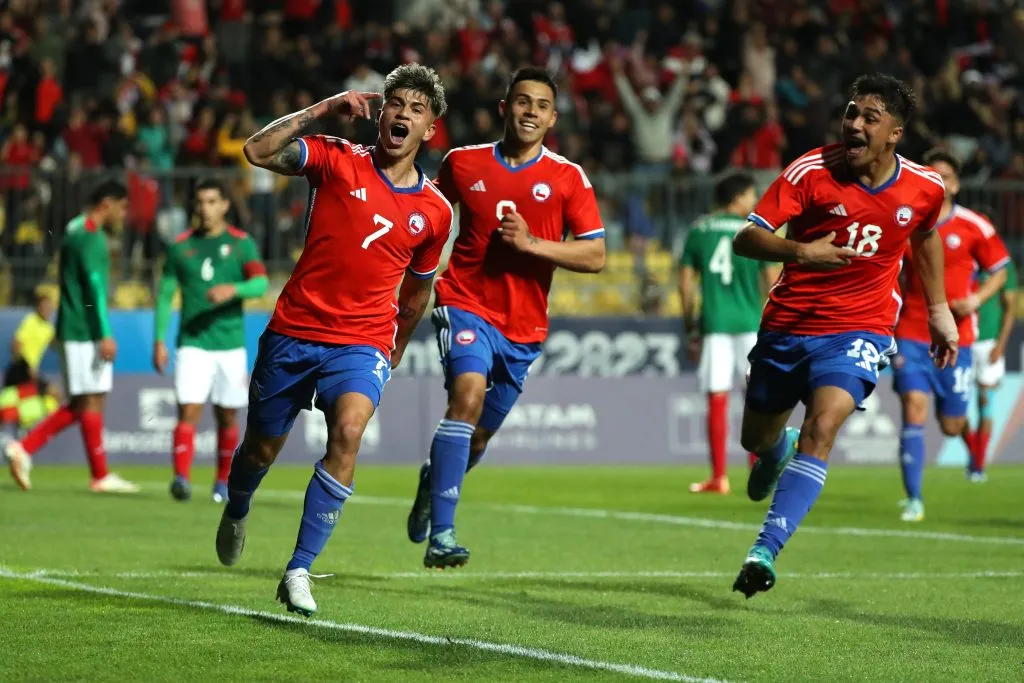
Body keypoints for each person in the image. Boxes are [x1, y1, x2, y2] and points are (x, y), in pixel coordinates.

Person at [215, 64, 453, 617]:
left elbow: (417, 294)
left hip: (362, 341)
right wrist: (323, 108)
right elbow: (256, 151)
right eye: (396, 104)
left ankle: (299, 568)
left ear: (429, 129)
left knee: (348, 432)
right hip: (294, 331)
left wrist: (392, 351)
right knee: (260, 450)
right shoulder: (335, 157)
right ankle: (238, 504)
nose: (404, 114)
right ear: (381, 113)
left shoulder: (435, 212)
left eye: (417, 109)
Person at [729, 73, 956, 598]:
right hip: (789, 326)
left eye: (869, 118)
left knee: (824, 425)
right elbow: (747, 237)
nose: (854, 125)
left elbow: (924, 237)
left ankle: (764, 550)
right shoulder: (810, 171)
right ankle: (774, 450)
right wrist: (802, 251)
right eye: (851, 113)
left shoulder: (924, 187)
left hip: (860, 327)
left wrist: (939, 310)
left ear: (894, 133)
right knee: (755, 439)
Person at [404, 67, 606, 569]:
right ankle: (443, 535)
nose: (530, 111)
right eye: (522, 101)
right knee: (467, 396)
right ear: (504, 108)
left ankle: (434, 479)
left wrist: (533, 244)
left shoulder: (567, 177)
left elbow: (596, 254)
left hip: (523, 328)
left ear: (553, 118)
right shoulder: (462, 162)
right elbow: (426, 216)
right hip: (464, 303)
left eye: (541, 105)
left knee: (479, 436)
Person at [893, 150, 1009, 519]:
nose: (938, 181)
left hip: (958, 337)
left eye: (945, 175)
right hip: (911, 330)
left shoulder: (975, 226)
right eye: (932, 174)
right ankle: (914, 498)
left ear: (956, 185)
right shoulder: (905, 222)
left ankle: (970, 446)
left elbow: (1000, 271)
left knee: (951, 424)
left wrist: (976, 299)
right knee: (913, 406)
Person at [4, 180, 139, 494]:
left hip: (73, 327)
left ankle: (30, 450)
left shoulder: (74, 228)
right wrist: (105, 333)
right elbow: (95, 287)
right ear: (107, 204)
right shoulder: (92, 237)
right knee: (90, 400)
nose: (124, 215)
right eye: (122, 207)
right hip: (84, 330)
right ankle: (93, 473)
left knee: (84, 401)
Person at [153, 178, 269, 503]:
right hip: (192, 342)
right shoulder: (180, 247)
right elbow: (165, 295)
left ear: (225, 206)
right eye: (200, 202)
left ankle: (221, 482)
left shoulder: (241, 244)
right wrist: (159, 339)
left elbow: (261, 283)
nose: (205, 208)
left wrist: (234, 289)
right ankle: (181, 479)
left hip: (230, 344)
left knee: (227, 415)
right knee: (188, 409)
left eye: (212, 201)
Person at [679, 171, 778, 495]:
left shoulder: (699, 230)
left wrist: (689, 323)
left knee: (717, 396)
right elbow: (772, 279)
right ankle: (757, 470)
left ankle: (719, 477)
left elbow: (685, 283)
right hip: (751, 323)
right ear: (737, 198)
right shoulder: (756, 230)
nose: (754, 200)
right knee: (756, 397)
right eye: (750, 194)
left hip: (715, 324)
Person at [963, 255, 1016, 481]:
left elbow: (1010, 308)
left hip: (988, 344)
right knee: (956, 411)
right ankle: (974, 453)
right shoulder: (963, 259)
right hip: (963, 343)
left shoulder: (1003, 267)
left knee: (985, 404)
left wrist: (1001, 345)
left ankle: (978, 465)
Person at [6, 290, 56, 382]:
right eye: (44, 306)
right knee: (52, 390)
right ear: (38, 307)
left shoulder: (49, 328)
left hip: (31, 372)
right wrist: (25, 367)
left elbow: (55, 345)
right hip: (21, 372)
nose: (47, 309)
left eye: (49, 307)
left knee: (51, 390)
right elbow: (15, 345)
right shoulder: (31, 320)